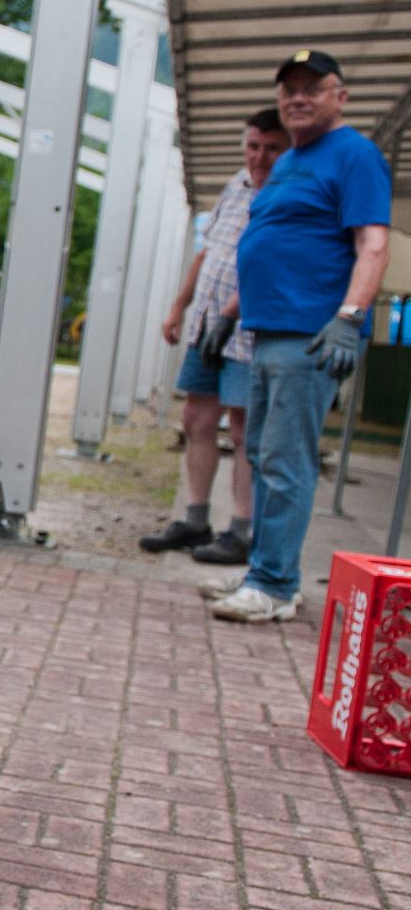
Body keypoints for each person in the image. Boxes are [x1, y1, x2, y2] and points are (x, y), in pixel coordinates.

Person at [202, 50, 391, 624]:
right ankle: (266, 567)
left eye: (313, 88)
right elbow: (271, 240)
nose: (298, 98)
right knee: (261, 453)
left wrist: (350, 316)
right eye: (290, 90)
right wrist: (232, 312)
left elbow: (373, 244)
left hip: (310, 334)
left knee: (286, 459)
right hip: (267, 330)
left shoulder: (355, 155)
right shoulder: (290, 161)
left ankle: (277, 585)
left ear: (341, 96)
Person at [140, 108, 289, 566]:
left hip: (248, 329)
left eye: (270, 148)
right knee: (197, 421)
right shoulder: (236, 185)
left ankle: (240, 529)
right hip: (209, 325)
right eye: (253, 146)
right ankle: (195, 518)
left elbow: (270, 262)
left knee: (244, 430)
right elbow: (209, 253)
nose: (259, 157)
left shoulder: (288, 193)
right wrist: (179, 306)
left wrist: (229, 313)